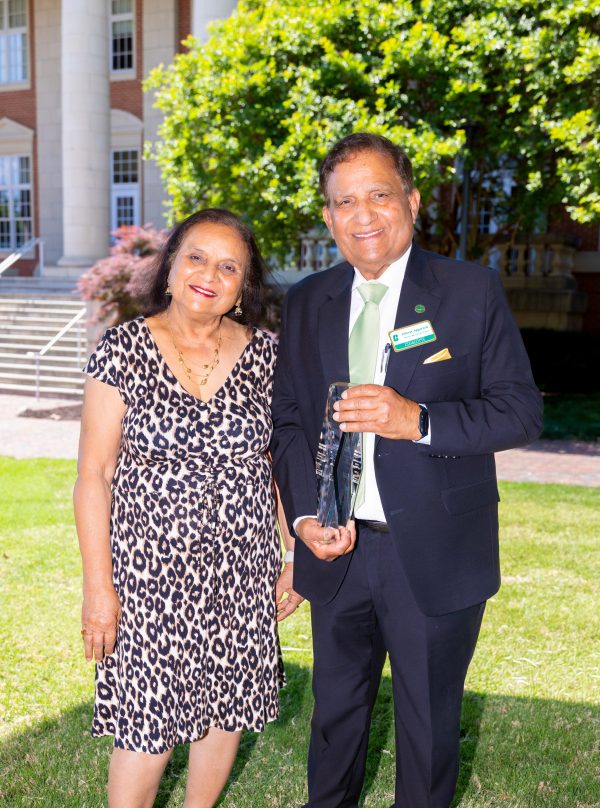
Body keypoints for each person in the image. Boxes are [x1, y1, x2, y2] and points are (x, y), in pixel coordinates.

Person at [271, 133, 543, 808]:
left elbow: (518, 413)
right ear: (328, 218)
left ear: (412, 202)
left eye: (378, 194)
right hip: (337, 552)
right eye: (344, 202)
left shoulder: (468, 291)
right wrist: (305, 517)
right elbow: (288, 425)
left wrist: (415, 420)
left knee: (426, 731)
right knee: (333, 722)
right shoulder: (305, 301)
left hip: (434, 551)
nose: (363, 215)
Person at [74, 208, 302, 808]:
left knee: (225, 713)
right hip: (149, 579)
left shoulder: (268, 358)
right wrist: (100, 589)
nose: (210, 274)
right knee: (146, 726)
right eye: (197, 256)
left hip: (241, 573)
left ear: (242, 287)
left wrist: (295, 555)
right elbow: (94, 476)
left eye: (229, 266)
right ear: (170, 264)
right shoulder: (123, 348)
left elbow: (277, 468)